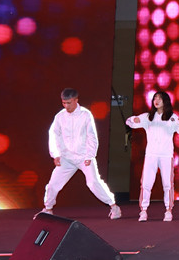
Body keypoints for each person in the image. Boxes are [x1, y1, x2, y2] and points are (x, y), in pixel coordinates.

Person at [42, 88, 121, 219]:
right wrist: (56, 154)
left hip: (83, 157)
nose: (66, 106)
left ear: (76, 100)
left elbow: (92, 136)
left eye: (69, 103)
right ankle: (48, 209)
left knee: (93, 182)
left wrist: (90, 155)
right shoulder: (60, 116)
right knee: (53, 184)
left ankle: (114, 206)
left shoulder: (85, 114)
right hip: (66, 158)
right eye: (64, 103)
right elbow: (53, 135)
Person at [126, 91, 179, 222]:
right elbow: (130, 122)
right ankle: (143, 210)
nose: (157, 100)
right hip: (151, 155)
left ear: (165, 101)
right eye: (155, 98)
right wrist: (133, 120)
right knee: (146, 183)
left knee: (167, 184)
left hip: (166, 155)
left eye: (160, 98)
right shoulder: (148, 117)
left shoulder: (172, 117)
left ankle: (168, 210)